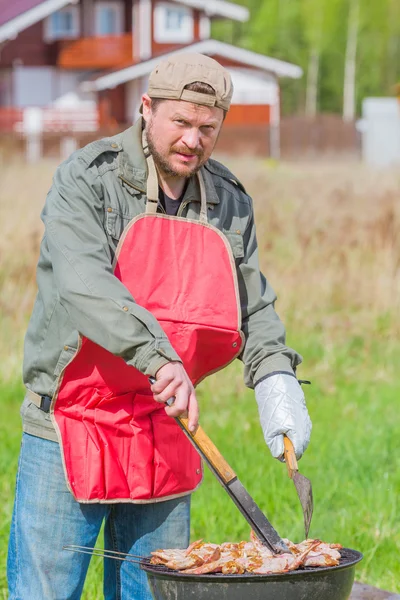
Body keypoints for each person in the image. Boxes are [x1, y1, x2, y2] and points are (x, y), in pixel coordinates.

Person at [7, 52, 312, 600]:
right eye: (181, 122)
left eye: (207, 128)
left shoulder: (229, 202)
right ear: (146, 108)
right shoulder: (89, 179)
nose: (193, 140)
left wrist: (275, 380)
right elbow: (84, 284)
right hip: (72, 423)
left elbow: (252, 304)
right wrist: (159, 357)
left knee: (155, 593)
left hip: (166, 426)